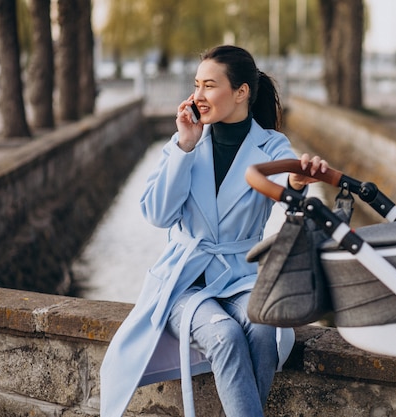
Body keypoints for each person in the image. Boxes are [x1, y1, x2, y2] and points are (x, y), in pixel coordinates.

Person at [100, 45, 329, 417]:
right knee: (223, 335)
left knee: (263, 329)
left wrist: (298, 183)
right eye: (196, 85)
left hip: (241, 277)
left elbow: (289, 198)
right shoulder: (183, 143)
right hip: (183, 281)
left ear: (241, 92)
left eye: (210, 85)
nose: (198, 95)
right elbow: (158, 215)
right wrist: (185, 147)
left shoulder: (271, 145)